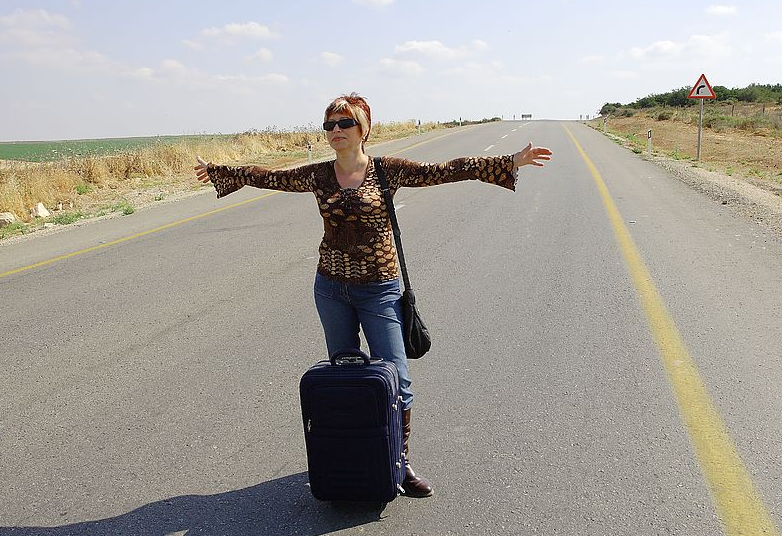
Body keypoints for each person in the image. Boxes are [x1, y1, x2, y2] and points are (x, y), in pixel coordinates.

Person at [194, 93, 552, 498]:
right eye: (329, 125)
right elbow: (271, 177)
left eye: (344, 124)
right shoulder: (318, 175)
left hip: (379, 290)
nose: (335, 132)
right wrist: (222, 171)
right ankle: (350, 455)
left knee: (397, 380)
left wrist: (508, 162)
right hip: (330, 288)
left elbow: (445, 170)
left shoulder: (388, 171)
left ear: (364, 129)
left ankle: (399, 463)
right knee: (343, 376)